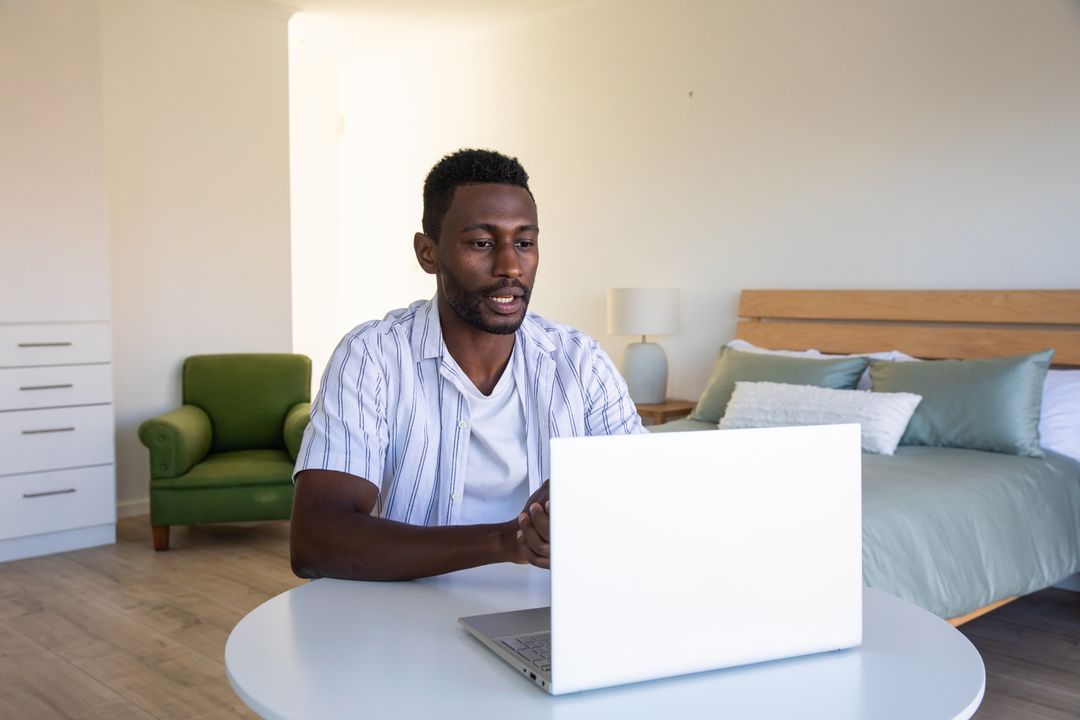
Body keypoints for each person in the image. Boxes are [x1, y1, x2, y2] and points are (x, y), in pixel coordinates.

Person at [290, 148, 644, 581]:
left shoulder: (581, 363)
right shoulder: (373, 356)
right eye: (481, 243)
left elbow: (640, 499)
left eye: (525, 243)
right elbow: (316, 541)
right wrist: (508, 541)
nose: (510, 266)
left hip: (552, 613)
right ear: (428, 253)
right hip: (404, 612)